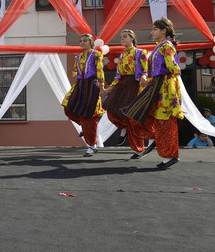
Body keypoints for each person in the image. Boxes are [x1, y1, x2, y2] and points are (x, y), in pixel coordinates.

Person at [124, 18, 183, 169]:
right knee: (137, 113)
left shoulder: (167, 46)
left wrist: (166, 86)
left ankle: (170, 156)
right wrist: (148, 80)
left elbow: (174, 69)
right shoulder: (158, 47)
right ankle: (153, 139)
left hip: (165, 86)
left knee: (165, 122)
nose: (152, 32)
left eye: (155, 29)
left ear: (163, 31)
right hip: (155, 85)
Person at [101, 29, 155, 159]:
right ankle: (123, 128)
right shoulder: (122, 55)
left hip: (135, 85)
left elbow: (146, 69)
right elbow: (118, 75)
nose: (122, 39)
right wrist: (109, 89)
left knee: (133, 118)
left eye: (125, 37)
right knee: (110, 109)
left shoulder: (141, 52)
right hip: (122, 85)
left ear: (132, 38)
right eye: (121, 37)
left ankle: (140, 149)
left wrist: (144, 76)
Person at [62, 33, 105, 157]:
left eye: (85, 40)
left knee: (89, 115)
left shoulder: (96, 54)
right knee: (67, 104)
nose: (82, 43)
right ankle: (84, 126)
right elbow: (76, 71)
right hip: (80, 84)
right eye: (81, 41)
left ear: (91, 43)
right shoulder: (79, 56)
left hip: (92, 84)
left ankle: (91, 146)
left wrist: (101, 87)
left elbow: (100, 71)